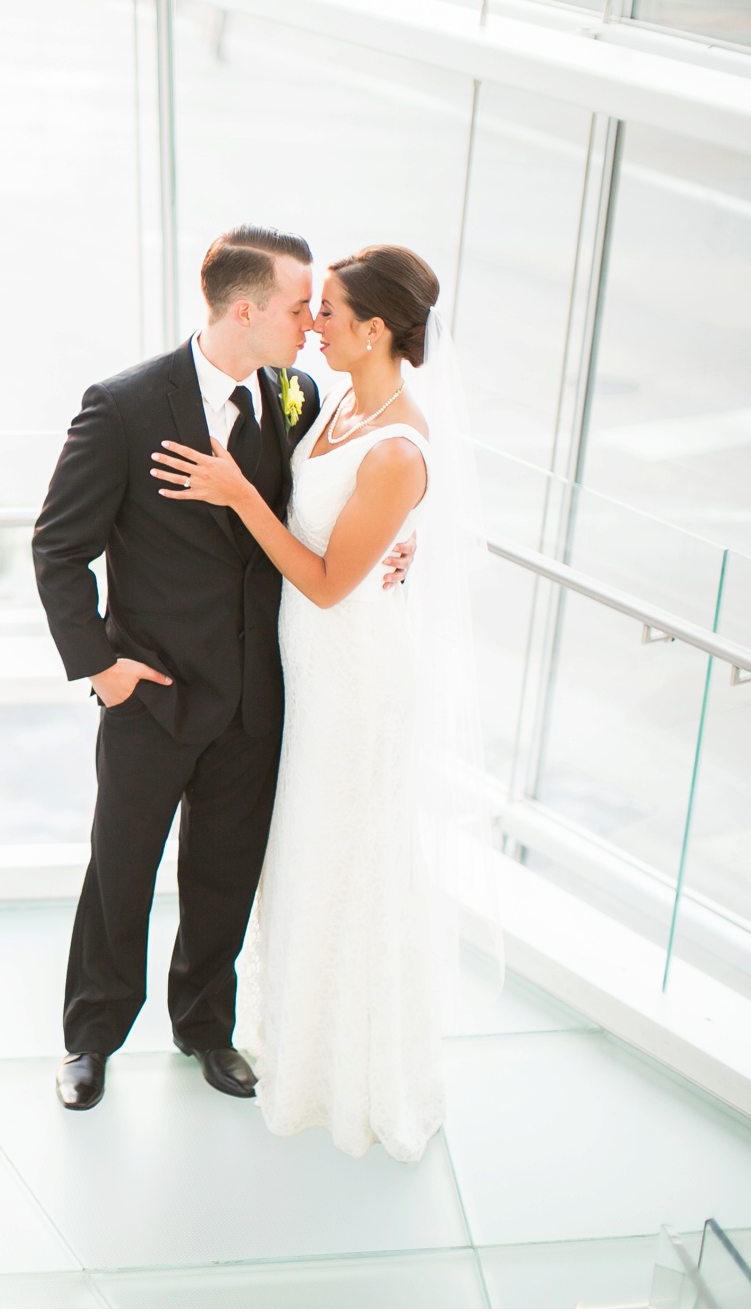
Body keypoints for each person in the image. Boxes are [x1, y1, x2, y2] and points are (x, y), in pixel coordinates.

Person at [31, 226, 412, 1111]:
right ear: (244, 311)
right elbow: (58, 547)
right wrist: (103, 666)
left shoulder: (298, 394)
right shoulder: (123, 406)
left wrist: (402, 542)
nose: (310, 321)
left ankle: (205, 1027)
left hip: (257, 697)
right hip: (151, 697)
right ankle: (90, 1039)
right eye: (294, 306)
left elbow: (335, 503)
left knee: (224, 878)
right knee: (120, 871)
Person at [150, 244, 475, 1162]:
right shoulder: (339, 403)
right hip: (314, 675)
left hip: (357, 679)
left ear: (377, 329)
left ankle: (355, 1066)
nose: (313, 325)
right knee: (306, 851)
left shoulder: (398, 445)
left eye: (328, 312)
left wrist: (239, 493)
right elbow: (351, 533)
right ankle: (304, 1042)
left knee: (350, 856)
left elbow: (331, 581)